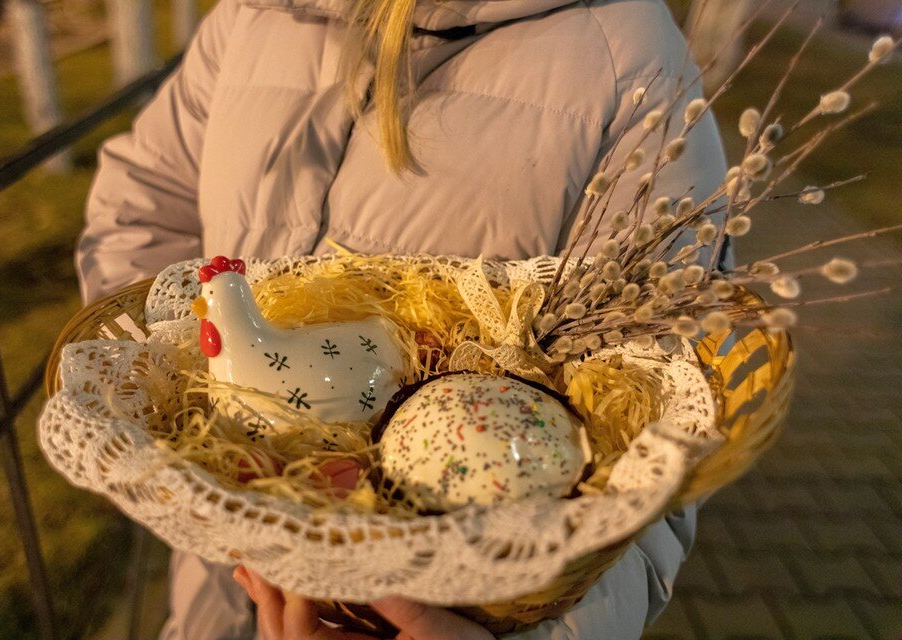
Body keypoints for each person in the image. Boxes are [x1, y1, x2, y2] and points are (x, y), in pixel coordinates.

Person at [76, 0, 728, 636]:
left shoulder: (627, 58)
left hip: (434, 608)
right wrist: (168, 387)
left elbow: (660, 436)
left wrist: (550, 627)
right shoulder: (253, 17)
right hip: (216, 591)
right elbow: (141, 207)